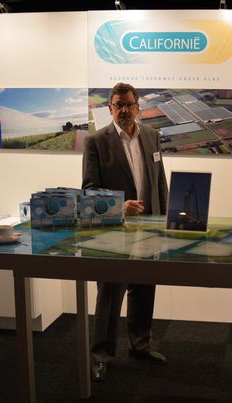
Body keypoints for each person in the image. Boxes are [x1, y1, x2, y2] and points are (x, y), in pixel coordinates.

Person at [82, 82, 168, 382]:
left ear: (137, 106)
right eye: (118, 105)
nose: (124, 110)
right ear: (110, 108)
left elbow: (159, 182)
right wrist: (119, 206)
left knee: (144, 289)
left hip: (150, 228)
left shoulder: (152, 136)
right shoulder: (96, 141)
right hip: (114, 231)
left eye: (129, 104)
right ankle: (101, 356)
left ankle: (140, 345)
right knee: (109, 293)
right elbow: (89, 191)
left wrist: (166, 221)